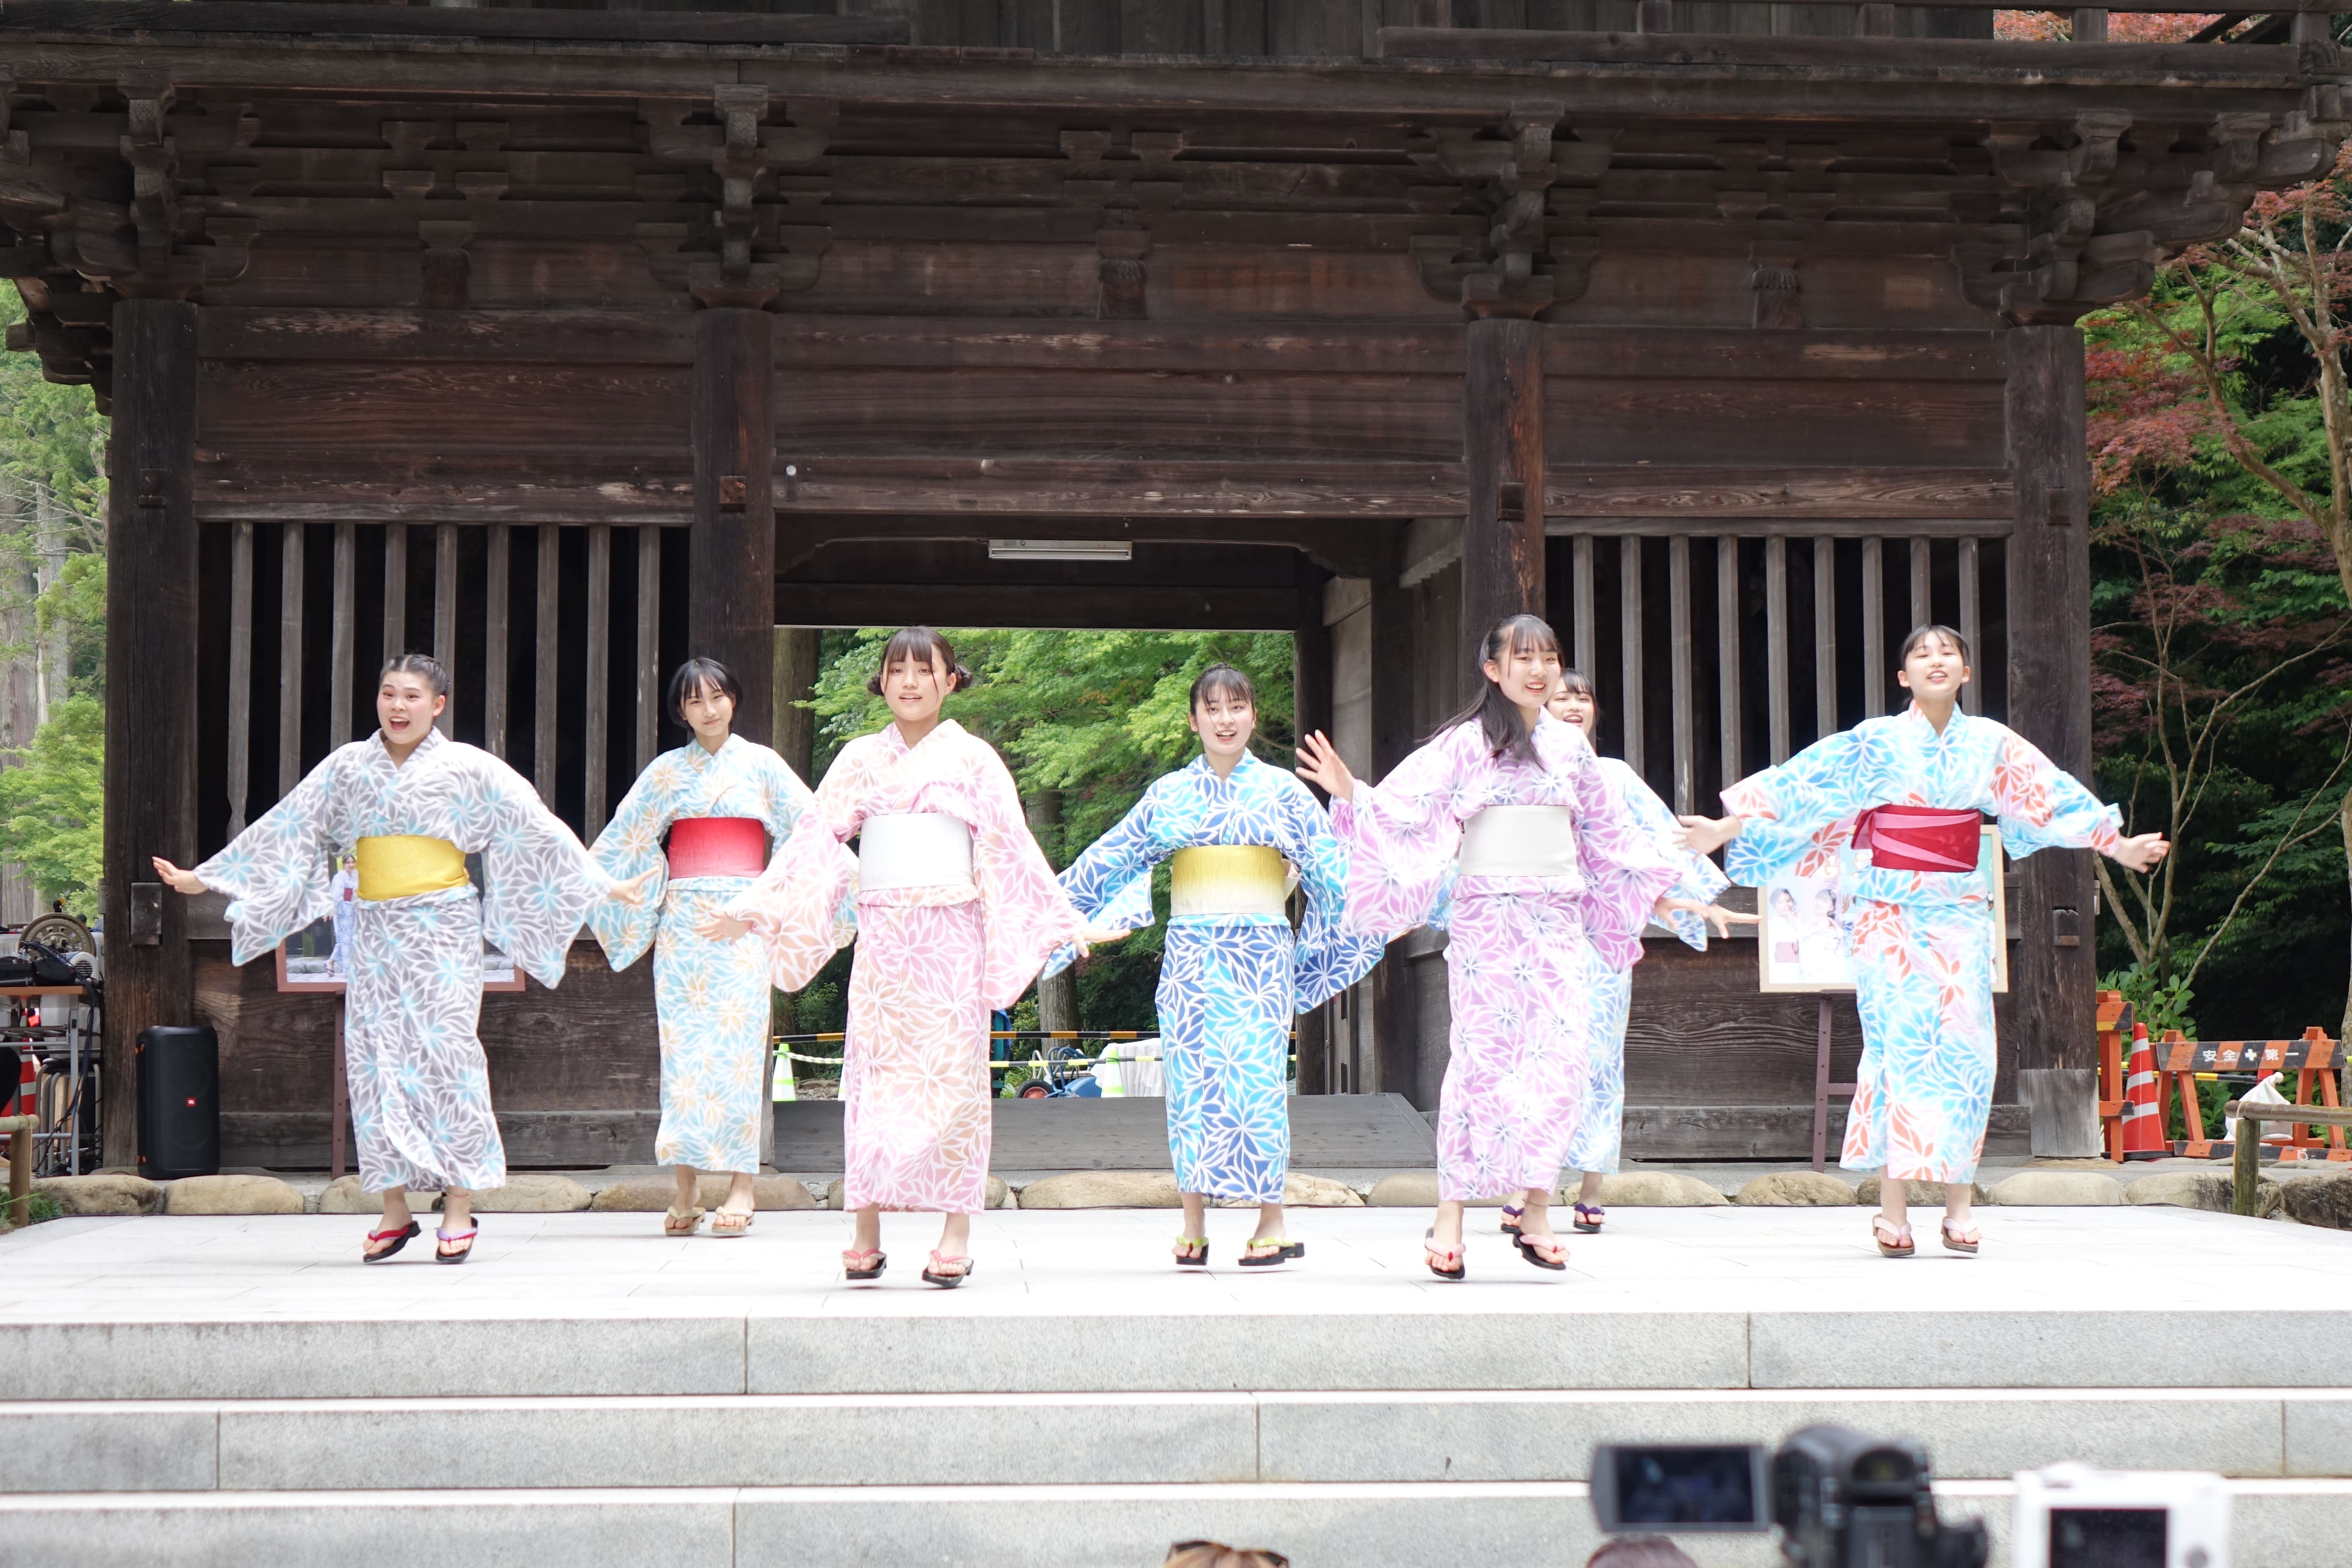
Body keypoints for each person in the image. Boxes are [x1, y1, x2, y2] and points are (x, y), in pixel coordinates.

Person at [1678, 625, 2168, 1257]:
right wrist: (1726, 826)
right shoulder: (1876, 742)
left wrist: (2116, 842)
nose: (1936, 660)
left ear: (1966, 671)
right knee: (1898, 1050)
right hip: (1887, 917)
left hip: (1960, 915)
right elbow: (1805, 784)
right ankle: (1894, 1210)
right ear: (1903, 677)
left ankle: (1960, 1205)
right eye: (1921, 654)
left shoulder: (1990, 742)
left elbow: (2048, 795)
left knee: (1968, 1056)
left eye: (1949, 652)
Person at [152, 654, 652, 1264]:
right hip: (375, 928)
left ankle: (459, 1205)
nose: (398, 706)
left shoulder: (468, 768)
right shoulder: (348, 768)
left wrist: (604, 884)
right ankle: (394, 1208)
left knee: (448, 1054)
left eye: (412, 696)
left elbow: (535, 827)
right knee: (373, 1058)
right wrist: (207, 879)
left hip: (443, 925)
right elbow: (289, 826)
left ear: (437, 706)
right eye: (389, 694)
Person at [1294, 614, 1708, 1281]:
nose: (1540, 670)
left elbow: (1608, 838)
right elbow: (1406, 814)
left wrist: (1661, 895)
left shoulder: (1572, 750)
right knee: (1481, 1063)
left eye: (1549, 657)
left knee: (1562, 1062)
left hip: (1558, 923)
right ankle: (1452, 1211)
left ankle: (1536, 1206)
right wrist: (1351, 791)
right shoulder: (1464, 746)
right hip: (1489, 922)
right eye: (1524, 658)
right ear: (1493, 669)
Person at [706, 628, 1125, 1287]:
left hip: (952, 938)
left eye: (924, 670)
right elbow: (813, 840)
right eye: (896, 668)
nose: (909, 681)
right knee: (872, 1082)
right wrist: (758, 904)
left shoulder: (976, 759)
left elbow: (1014, 847)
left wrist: (1066, 918)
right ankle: (866, 1230)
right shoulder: (857, 760)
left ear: (950, 681)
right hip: (885, 942)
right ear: (882, 681)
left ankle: (955, 1230)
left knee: (954, 1083)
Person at [1050, 662, 1384, 1268]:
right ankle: (1193, 1222)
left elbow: (1335, 869)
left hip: (1259, 956)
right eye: (1213, 708)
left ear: (1253, 715)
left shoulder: (1283, 791)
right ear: (1194, 719)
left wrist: (1391, 896)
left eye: (1237, 707)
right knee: (1192, 1087)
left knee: (1257, 1086)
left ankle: (1271, 1222)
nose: (1226, 719)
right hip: (1191, 960)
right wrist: (1057, 915)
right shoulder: (1170, 794)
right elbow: (1113, 856)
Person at [588, 657, 815, 1238]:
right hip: (684, 927)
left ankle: (742, 1184)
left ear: (733, 700)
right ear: (681, 710)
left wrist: (758, 910)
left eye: (717, 696)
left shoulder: (762, 765)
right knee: (684, 1058)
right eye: (695, 701)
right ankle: (685, 1189)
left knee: (739, 1055)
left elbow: (809, 835)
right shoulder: (668, 772)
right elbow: (627, 836)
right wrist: (628, 885)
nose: (708, 709)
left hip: (743, 925)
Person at [1530, 671, 1754, 1237]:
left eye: (1583, 695)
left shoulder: (1615, 776)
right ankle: (1528, 1187)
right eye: (1561, 696)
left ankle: (1592, 1188)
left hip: (1604, 935)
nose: (1574, 703)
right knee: (1537, 1057)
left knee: (1600, 1059)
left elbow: (1654, 838)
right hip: (1538, 928)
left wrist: (1694, 901)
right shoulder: (1522, 772)